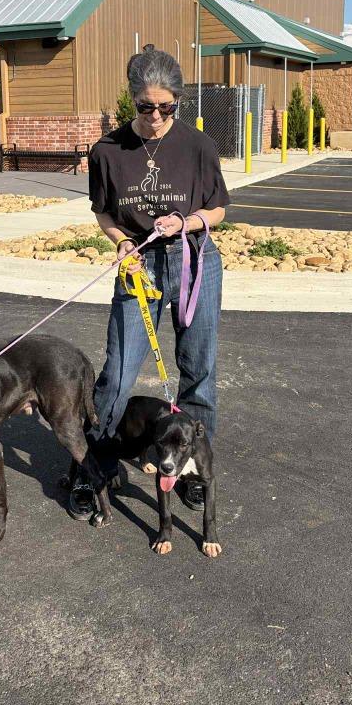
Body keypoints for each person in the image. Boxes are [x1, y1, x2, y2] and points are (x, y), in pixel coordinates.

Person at [69, 46, 229, 521]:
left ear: (178, 102)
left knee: (198, 370)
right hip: (138, 265)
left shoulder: (197, 145)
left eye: (167, 107)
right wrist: (120, 242)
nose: (156, 116)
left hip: (193, 261)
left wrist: (190, 222)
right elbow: (103, 211)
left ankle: (193, 471)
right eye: (145, 106)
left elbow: (219, 207)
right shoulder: (108, 151)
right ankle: (91, 469)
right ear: (131, 99)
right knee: (118, 374)